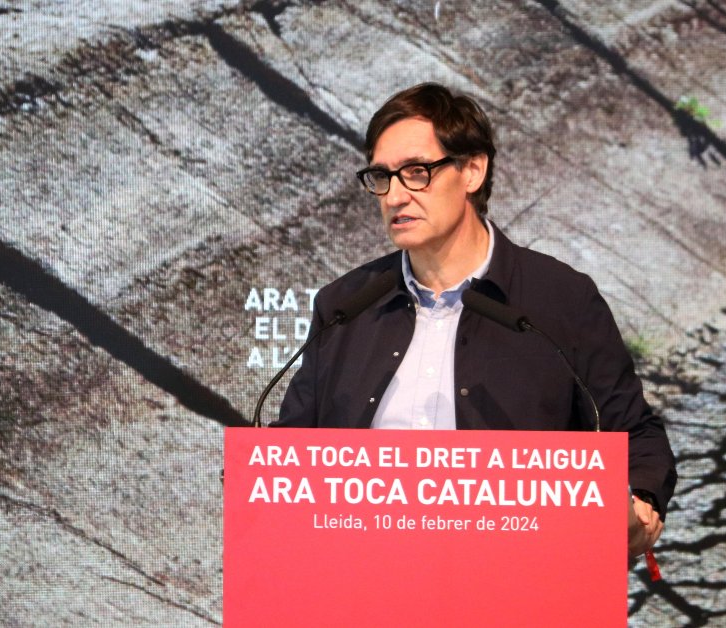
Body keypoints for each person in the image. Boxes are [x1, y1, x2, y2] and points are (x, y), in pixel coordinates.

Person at [275, 82, 675, 556]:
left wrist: (640, 499)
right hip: (365, 579)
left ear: (471, 170)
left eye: (417, 172)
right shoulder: (345, 305)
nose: (395, 196)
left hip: (517, 579)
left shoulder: (559, 299)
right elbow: (294, 457)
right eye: (381, 178)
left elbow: (634, 434)